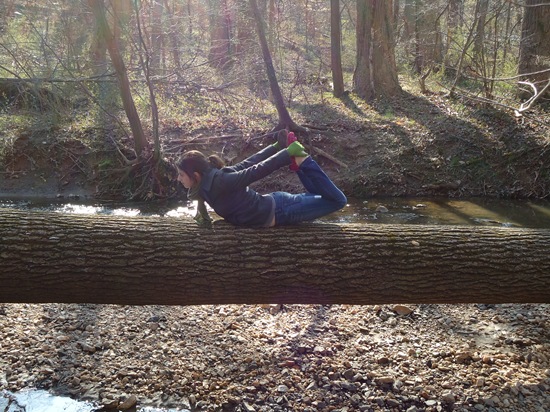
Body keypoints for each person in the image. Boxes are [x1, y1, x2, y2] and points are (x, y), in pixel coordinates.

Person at [175, 130, 347, 227]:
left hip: (282, 210)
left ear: (195, 175)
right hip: (278, 206)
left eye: (181, 174)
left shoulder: (219, 182)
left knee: (338, 201)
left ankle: (304, 161)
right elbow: (247, 163)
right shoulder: (206, 186)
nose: (178, 178)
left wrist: (286, 153)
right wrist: (275, 147)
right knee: (321, 197)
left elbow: (255, 171)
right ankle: (300, 166)